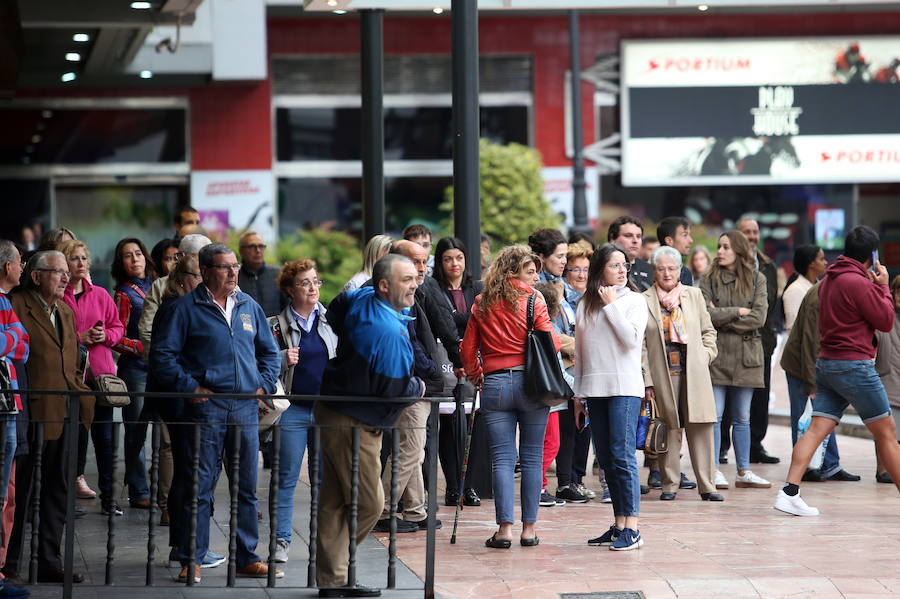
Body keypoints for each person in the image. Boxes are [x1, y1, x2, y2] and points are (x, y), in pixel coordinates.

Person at [151, 243, 281, 583]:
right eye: (224, 267)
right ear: (206, 272)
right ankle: (191, 558)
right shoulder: (185, 309)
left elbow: (270, 353)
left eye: (234, 266)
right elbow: (162, 356)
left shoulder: (248, 306)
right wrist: (190, 387)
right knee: (198, 486)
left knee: (246, 487)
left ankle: (246, 557)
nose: (233, 272)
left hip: (245, 408)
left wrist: (264, 385)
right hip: (206, 409)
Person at [315, 254, 424, 597]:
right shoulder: (388, 331)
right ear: (384, 286)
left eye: (415, 277)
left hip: (337, 409)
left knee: (336, 500)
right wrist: (419, 387)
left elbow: (335, 309)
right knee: (370, 504)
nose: (415, 285)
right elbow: (395, 390)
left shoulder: (362, 294)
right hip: (353, 420)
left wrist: (351, 352)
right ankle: (335, 572)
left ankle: (334, 581)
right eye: (407, 279)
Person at [775, 226, 898, 517]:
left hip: (827, 364)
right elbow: (885, 321)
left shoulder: (829, 279)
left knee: (817, 429)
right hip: (854, 365)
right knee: (887, 433)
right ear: (872, 256)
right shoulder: (858, 283)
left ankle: (789, 492)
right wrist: (883, 286)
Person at [461, 245, 556, 549]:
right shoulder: (534, 300)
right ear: (514, 271)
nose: (536, 277)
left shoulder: (482, 301)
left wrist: (476, 374)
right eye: (531, 271)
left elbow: (467, 349)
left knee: (502, 459)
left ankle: (504, 530)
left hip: (495, 384)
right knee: (532, 458)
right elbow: (550, 342)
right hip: (532, 385)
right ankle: (529, 530)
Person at [10, 251, 94, 583]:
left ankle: (49, 560)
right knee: (20, 492)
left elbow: (72, 362)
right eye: (57, 272)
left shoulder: (65, 311)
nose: (65, 277)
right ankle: (9, 563)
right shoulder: (16, 305)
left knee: (58, 490)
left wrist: (82, 394)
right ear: (36, 276)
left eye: (66, 272)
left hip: (65, 413)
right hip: (30, 414)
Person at [575, 243, 648, 551]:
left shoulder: (634, 301)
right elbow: (581, 352)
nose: (622, 270)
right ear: (600, 269)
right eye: (614, 265)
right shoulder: (585, 303)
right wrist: (578, 394)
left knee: (622, 456)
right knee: (606, 459)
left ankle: (633, 527)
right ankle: (619, 525)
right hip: (595, 390)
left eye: (624, 265)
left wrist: (612, 305)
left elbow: (631, 339)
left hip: (624, 389)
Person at [269, 259, 337, 561]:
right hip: (292, 409)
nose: (312, 288)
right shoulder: (275, 326)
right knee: (285, 477)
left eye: (315, 281)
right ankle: (280, 542)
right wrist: (283, 358)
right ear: (290, 289)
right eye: (304, 283)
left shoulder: (333, 321)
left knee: (324, 480)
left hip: (326, 410)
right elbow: (259, 364)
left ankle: (324, 543)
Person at [373, 241, 444, 533]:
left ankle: (415, 510)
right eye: (415, 262)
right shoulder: (389, 297)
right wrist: (430, 375)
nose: (421, 268)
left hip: (418, 384)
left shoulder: (418, 291)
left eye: (425, 262)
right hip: (412, 386)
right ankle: (382, 511)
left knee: (414, 451)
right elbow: (410, 345)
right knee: (409, 451)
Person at [642, 246, 722, 501]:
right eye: (661, 269)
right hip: (662, 374)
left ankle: (707, 486)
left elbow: (709, 332)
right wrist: (647, 380)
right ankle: (669, 485)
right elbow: (641, 345)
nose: (667, 273)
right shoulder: (644, 300)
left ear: (679, 270)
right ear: (654, 271)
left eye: (672, 268)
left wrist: (705, 355)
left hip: (694, 372)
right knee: (668, 428)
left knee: (701, 427)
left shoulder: (693, 295)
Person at [58, 239, 126, 516]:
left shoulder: (100, 294)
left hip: (100, 375)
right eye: (74, 258)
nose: (81, 263)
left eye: (84, 258)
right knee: (73, 438)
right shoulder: (58, 295)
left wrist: (104, 335)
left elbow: (118, 328)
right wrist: (80, 338)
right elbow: (53, 336)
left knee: (105, 439)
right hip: (70, 377)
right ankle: (66, 497)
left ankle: (109, 498)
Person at [699, 231, 771, 491]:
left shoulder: (757, 278)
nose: (720, 251)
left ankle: (744, 471)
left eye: (726, 247)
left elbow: (759, 318)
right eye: (719, 246)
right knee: (715, 416)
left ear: (739, 250)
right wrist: (738, 312)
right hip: (717, 355)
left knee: (742, 417)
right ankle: (714, 469)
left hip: (747, 356)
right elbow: (703, 314)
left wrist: (722, 318)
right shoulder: (708, 277)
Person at [780, 264, 859, 485]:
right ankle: (805, 468)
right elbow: (810, 343)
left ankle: (830, 464)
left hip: (819, 364)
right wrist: (811, 383)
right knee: (804, 419)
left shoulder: (834, 293)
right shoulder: (819, 297)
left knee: (825, 415)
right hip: (800, 367)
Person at [432, 236, 485, 507]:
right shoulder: (434, 289)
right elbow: (442, 323)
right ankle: (453, 487)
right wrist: (463, 320)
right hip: (445, 362)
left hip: (474, 361)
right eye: (448, 259)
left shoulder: (476, 288)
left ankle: (469, 486)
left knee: (473, 424)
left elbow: (480, 318)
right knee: (449, 426)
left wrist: (454, 318)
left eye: (459, 258)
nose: (454, 263)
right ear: (440, 262)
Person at [110, 238, 157, 511]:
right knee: (136, 431)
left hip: (160, 368)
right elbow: (116, 337)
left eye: (138, 253)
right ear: (121, 263)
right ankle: (139, 490)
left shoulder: (158, 285)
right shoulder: (124, 294)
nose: (135, 259)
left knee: (164, 432)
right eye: (128, 255)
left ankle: (162, 487)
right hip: (136, 370)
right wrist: (143, 348)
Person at [737, 217, 781, 465]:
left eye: (755, 232)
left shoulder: (768, 266)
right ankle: (723, 447)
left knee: (760, 396)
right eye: (747, 232)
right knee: (732, 394)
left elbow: (770, 302)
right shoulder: (728, 265)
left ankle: (755, 445)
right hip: (734, 341)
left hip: (762, 341)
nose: (752, 236)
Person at [0, 241, 29, 599]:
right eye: (20, 262)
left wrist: (11, 338)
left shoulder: (6, 302)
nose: (22, 268)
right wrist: (13, 337)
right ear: (7, 266)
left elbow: (25, 346)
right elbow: (15, 342)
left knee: (7, 492)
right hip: (3, 406)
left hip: (9, 405)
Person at [560, 244, 597, 500]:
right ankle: (569, 479)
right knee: (570, 428)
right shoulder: (561, 298)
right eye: (576, 269)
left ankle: (578, 478)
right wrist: (584, 345)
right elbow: (559, 336)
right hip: (568, 371)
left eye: (586, 269)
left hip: (590, 370)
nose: (582, 275)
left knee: (586, 427)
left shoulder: (594, 298)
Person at [138, 234, 212, 361]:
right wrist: (163, 363)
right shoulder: (161, 287)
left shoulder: (221, 285)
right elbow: (147, 330)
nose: (208, 265)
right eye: (201, 258)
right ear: (182, 257)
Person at [875, 276, 900, 480]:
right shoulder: (886, 313)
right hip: (888, 376)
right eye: (898, 292)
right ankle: (882, 469)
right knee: (886, 430)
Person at [238, 231, 285, 317]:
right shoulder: (235, 277)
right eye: (252, 247)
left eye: (261, 246)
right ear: (241, 251)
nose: (258, 250)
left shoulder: (277, 274)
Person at [608, 215, 652, 292]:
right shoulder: (602, 268)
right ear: (613, 238)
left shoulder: (649, 269)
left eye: (638, 236)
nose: (635, 241)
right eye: (628, 236)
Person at [656, 217, 694, 286]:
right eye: (684, 235)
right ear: (669, 241)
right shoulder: (648, 271)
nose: (691, 240)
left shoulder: (686, 272)